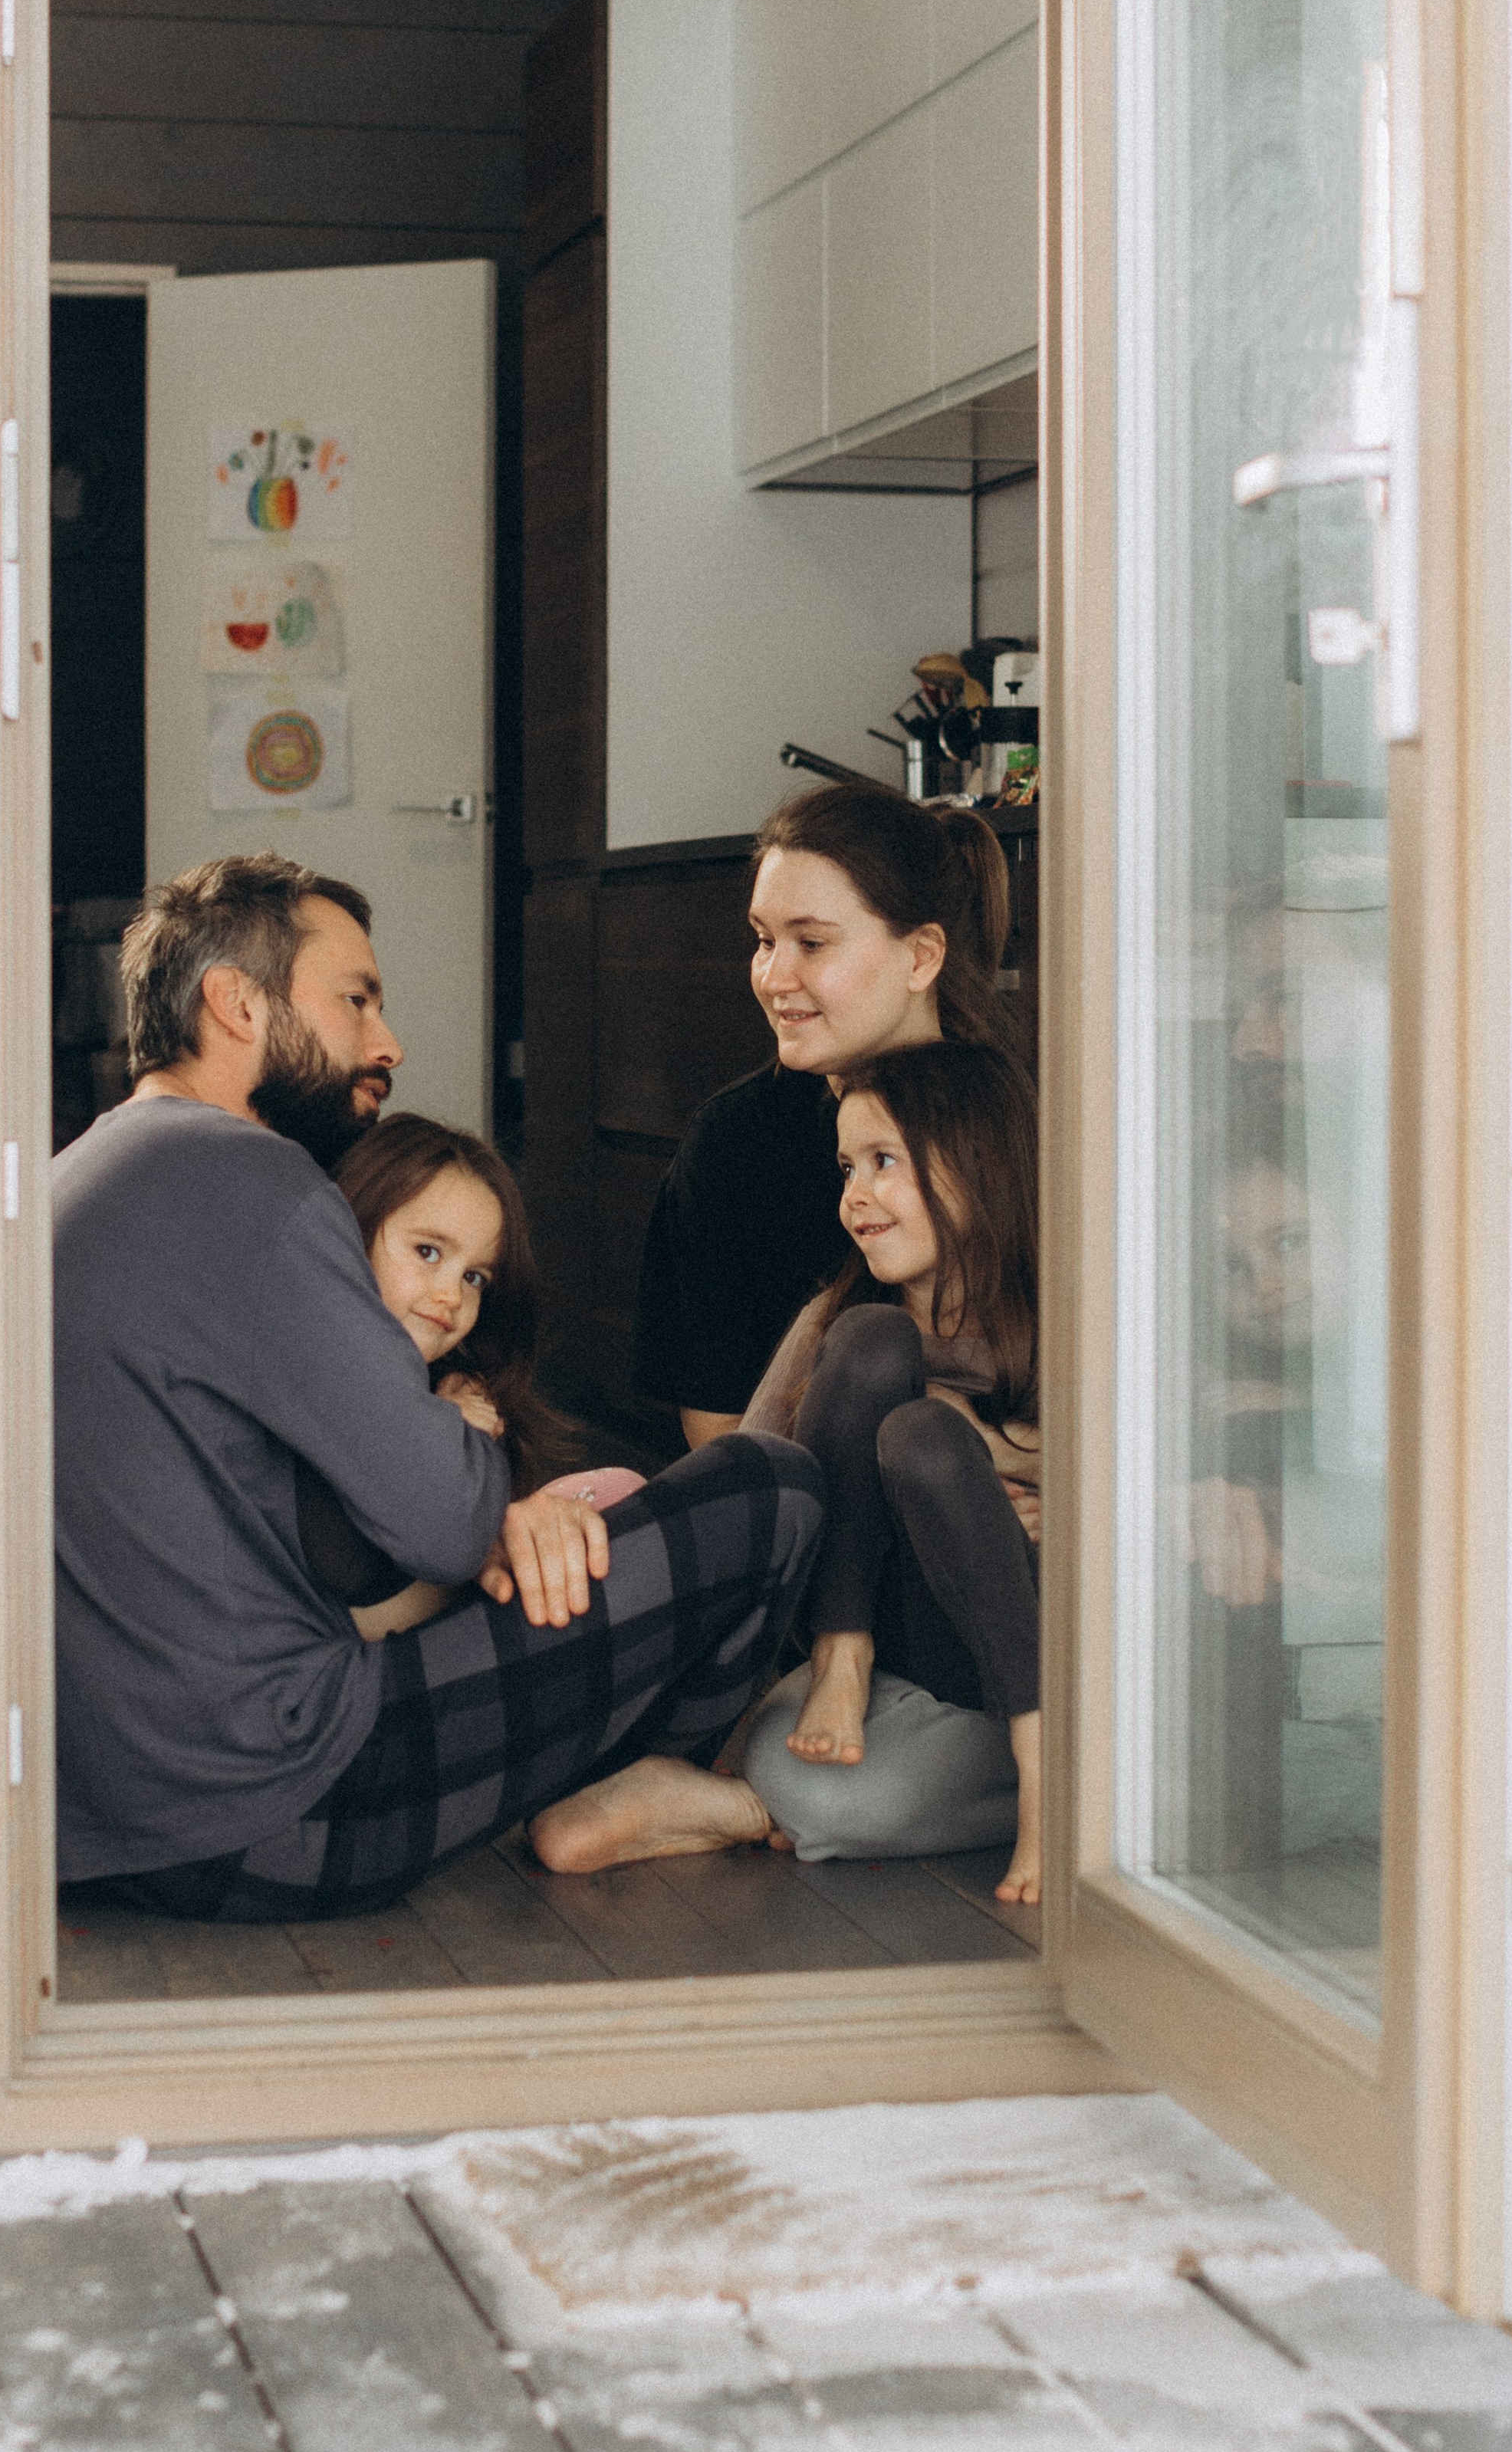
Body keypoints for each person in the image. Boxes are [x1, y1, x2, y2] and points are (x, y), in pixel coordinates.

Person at [53, 853, 823, 1921]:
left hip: (98, 1822)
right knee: (773, 1488)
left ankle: (627, 1787)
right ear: (235, 1003)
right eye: (355, 999)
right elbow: (450, 1523)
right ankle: (632, 1784)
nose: (388, 1043)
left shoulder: (82, 1176)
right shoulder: (251, 1181)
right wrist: (461, 1420)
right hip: (273, 1801)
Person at [738, 1041, 1044, 1905]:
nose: (855, 1197)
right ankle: (843, 1656)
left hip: (1006, 1638)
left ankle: (1042, 1757)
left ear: (980, 1167)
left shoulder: (1061, 1322)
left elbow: (1135, 1479)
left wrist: (1032, 1485)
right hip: (890, 1633)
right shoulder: (842, 1324)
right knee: (875, 1351)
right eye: (846, 1169)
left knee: (919, 1435)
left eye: (884, 1163)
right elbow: (752, 1486)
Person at [629, 784, 1016, 1446]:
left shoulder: (1019, 1123)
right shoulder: (732, 1145)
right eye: (762, 940)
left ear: (922, 955)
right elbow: (723, 1438)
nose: (773, 977)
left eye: (811, 943)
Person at [297, 1112, 646, 1643]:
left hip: (442, 1622)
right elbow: (366, 1568)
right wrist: (435, 1427)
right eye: (428, 1251)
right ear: (354, 1228)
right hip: (376, 1669)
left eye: (475, 1277)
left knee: (622, 1495)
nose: (452, 1296)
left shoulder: (456, 1385)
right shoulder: (309, 1378)